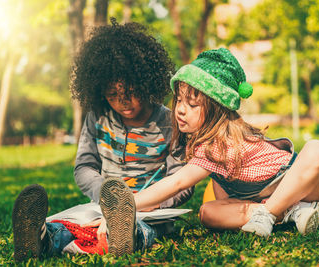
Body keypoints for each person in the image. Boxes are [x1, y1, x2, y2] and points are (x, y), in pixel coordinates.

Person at [12, 20, 193, 262]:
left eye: (131, 92)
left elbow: (182, 182)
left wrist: (154, 203)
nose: (123, 101)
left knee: (146, 228)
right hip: (101, 206)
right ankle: (41, 237)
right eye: (113, 95)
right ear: (99, 90)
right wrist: (106, 198)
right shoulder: (96, 117)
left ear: (146, 82)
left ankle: (128, 236)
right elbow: (84, 167)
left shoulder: (170, 124)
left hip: (152, 211)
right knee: (72, 225)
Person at [104, 47, 319, 239]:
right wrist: (147, 202)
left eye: (193, 105)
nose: (181, 109)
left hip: (301, 184)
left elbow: (178, 182)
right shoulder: (202, 143)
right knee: (208, 212)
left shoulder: (220, 142)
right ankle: (289, 213)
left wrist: (129, 203)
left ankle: (271, 212)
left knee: (317, 149)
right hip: (257, 197)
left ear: (216, 110)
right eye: (179, 100)